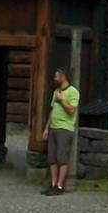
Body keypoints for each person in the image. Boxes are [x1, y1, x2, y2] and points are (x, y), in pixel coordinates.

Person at [41, 68, 79, 196]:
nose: (54, 79)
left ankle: (60, 185)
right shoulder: (56, 92)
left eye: (56, 77)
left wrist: (62, 100)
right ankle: (52, 183)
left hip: (65, 128)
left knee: (62, 158)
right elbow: (52, 111)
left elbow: (72, 110)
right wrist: (46, 128)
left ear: (63, 77)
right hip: (54, 128)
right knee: (52, 158)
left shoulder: (73, 92)